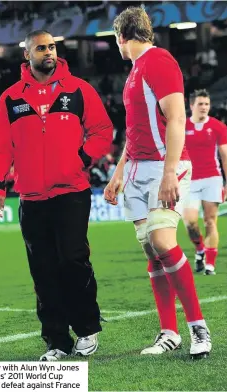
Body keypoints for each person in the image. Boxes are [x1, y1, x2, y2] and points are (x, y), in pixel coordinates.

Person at [0, 30, 113, 361]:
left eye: (52, 47)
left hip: (72, 192)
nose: (48, 52)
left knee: (73, 260)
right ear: (27, 55)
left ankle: (86, 329)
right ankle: (56, 340)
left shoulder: (79, 90)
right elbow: (1, 146)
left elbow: (102, 130)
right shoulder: (11, 99)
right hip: (30, 199)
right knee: (42, 271)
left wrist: (83, 158)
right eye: (41, 48)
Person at [104, 7, 211, 359]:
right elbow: (135, 129)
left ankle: (198, 327)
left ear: (122, 36)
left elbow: (177, 118)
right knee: (151, 250)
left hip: (165, 165)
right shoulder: (136, 70)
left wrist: (169, 173)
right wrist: (119, 171)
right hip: (136, 168)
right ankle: (169, 332)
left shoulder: (159, 61)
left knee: (163, 242)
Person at [183, 89, 227, 275]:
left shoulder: (218, 127)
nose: (204, 107)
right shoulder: (181, 126)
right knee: (190, 223)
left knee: (210, 221)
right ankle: (200, 249)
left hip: (212, 178)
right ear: (191, 105)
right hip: (189, 181)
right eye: (200, 104)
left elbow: (225, 157)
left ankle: (210, 265)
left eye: (207, 104)